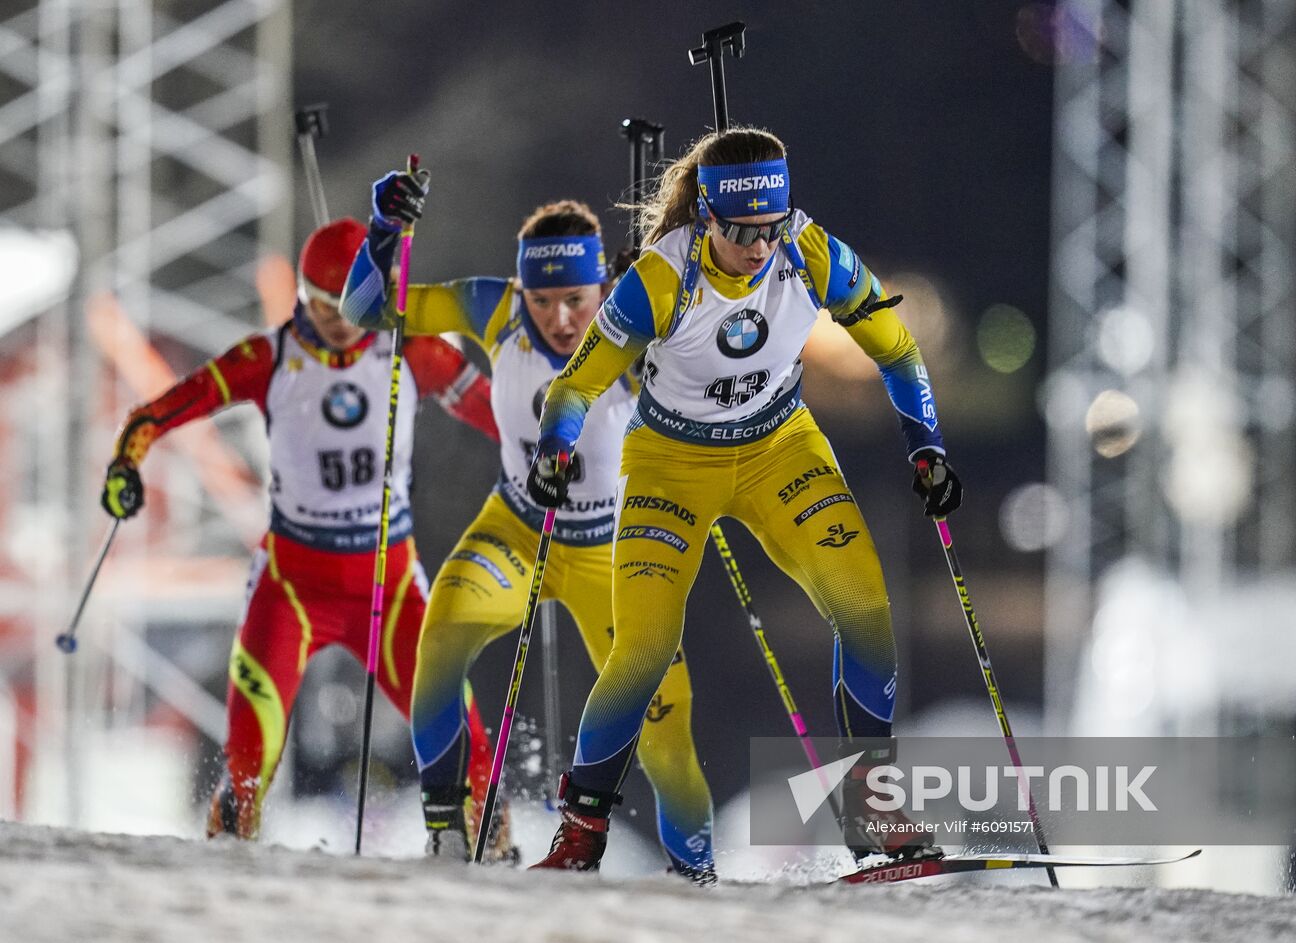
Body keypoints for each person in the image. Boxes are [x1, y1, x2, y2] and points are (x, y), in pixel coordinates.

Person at [524, 127, 964, 873]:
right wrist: (555, 451)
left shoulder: (810, 248)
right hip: (671, 464)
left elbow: (896, 347)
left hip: (778, 450)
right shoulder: (662, 279)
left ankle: (874, 811)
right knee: (643, 651)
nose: (760, 247)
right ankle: (579, 835)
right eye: (740, 231)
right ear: (707, 216)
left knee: (864, 605)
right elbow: (577, 384)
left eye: (771, 227)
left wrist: (927, 444)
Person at [340, 174, 717, 880]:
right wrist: (384, 232)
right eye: (542, 302)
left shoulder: (638, 318)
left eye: (575, 300)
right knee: (442, 636)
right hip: (517, 528)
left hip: (615, 551)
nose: (561, 319)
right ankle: (447, 825)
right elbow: (366, 308)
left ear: (601, 287)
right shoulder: (494, 307)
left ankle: (696, 873)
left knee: (667, 732)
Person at [100, 218, 500, 841]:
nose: (342, 324)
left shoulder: (412, 349)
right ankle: (231, 863)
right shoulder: (270, 355)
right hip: (292, 584)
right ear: (303, 300)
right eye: (324, 308)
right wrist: (126, 462)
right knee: (247, 762)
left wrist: (552, 453)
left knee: (465, 742)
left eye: (354, 309)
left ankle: (484, 843)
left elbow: (497, 412)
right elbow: (161, 410)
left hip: (386, 585)